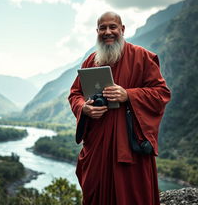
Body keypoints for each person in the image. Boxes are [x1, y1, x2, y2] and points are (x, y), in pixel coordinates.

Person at [68, 12, 171, 205]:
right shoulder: (91, 61)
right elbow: (75, 94)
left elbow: (161, 93)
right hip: (97, 147)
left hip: (129, 148)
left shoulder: (142, 57)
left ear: (122, 29)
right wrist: (84, 108)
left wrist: (128, 95)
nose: (108, 32)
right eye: (102, 28)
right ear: (97, 31)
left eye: (112, 27)